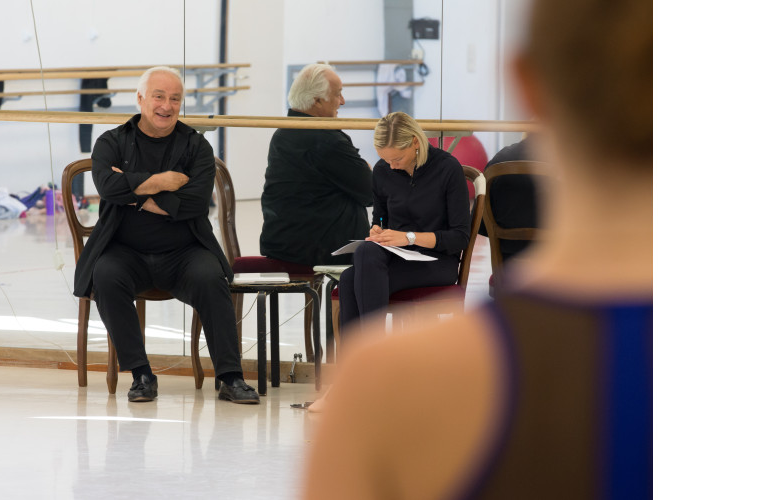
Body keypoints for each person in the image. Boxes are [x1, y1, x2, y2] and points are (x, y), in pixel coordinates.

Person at [302, 0, 652, 496]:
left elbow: (457, 236)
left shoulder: (391, 382)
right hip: (397, 262)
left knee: (366, 268)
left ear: (527, 85)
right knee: (364, 258)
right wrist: (384, 234)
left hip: (433, 267)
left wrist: (406, 239)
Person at [72, 66, 259, 405]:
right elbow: (107, 188)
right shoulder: (111, 141)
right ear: (141, 98)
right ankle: (141, 374)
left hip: (184, 252)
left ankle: (230, 377)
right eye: (159, 96)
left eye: (175, 99)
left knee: (211, 276)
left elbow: (194, 204)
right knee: (106, 275)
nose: (167, 106)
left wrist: (132, 190)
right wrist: (162, 183)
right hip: (125, 251)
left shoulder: (195, 146)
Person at [336, 111, 470, 333]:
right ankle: (370, 359)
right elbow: (380, 218)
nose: (392, 166)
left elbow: (460, 237)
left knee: (350, 279)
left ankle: (366, 358)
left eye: (397, 159)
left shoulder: (447, 169)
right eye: (386, 159)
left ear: (415, 142)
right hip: (397, 256)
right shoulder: (382, 171)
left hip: (436, 259)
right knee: (365, 252)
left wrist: (409, 238)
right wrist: (378, 229)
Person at [259, 63, 373, 267]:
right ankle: (347, 299)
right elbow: (371, 191)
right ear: (318, 101)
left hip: (286, 241)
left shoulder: (284, 133)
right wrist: (365, 167)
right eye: (338, 94)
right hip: (314, 248)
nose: (343, 101)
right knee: (389, 256)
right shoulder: (324, 140)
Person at [477, 135, 540, 264]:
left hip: (509, 261)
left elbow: (482, 219)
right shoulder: (572, 163)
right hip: (560, 260)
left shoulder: (500, 159)